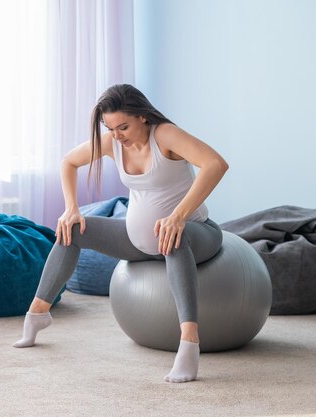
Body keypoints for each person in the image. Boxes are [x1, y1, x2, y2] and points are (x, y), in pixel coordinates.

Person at [12, 84, 229, 383]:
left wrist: (177, 217)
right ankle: (38, 313)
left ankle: (189, 343)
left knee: (173, 238)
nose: (117, 135)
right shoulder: (113, 143)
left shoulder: (164, 135)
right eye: (110, 128)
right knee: (71, 229)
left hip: (194, 233)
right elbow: (68, 162)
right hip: (137, 240)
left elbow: (215, 164)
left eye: (123, 126)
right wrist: (71, 207)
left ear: (142, 117)